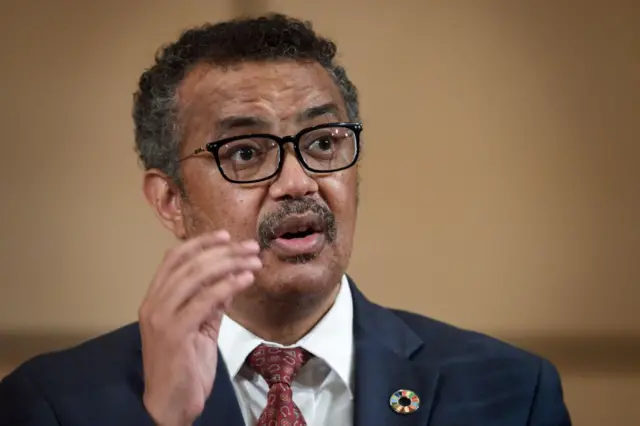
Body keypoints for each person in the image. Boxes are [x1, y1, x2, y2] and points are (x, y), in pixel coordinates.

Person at [0, 13, 571, 426]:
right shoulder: (51, 404)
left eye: (323, 142)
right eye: (246, 153)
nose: (298, 182)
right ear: (170, 200)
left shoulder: (510, 393)